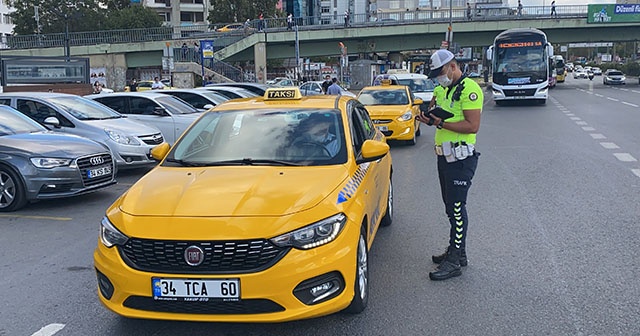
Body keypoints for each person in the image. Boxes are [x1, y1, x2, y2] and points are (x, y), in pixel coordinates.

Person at [416, 49, 483, 281]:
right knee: (449, 208)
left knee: (456, 208)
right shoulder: (442, 89)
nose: (438, 77)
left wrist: (441, 122)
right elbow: (438, 119)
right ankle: (458, 252)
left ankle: (454, 260)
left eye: (440, 72)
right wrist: (429, 119)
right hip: (443, 157)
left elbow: (472, 125)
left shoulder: (471, 89)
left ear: (452, 66)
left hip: (461, 159)